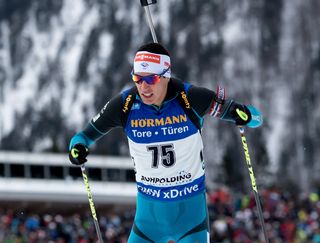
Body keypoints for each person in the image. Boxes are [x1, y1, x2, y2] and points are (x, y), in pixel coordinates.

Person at [68, 42, 263, 243]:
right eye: (137, 78)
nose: (143, 87)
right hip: (147, 224)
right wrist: (77, 149)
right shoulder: (124, 105)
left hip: (191, 222)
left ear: (165, 75)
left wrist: (246, 115)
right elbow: (82, 137)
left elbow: (257, 118)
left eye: (150, 79)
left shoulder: (191, 98)